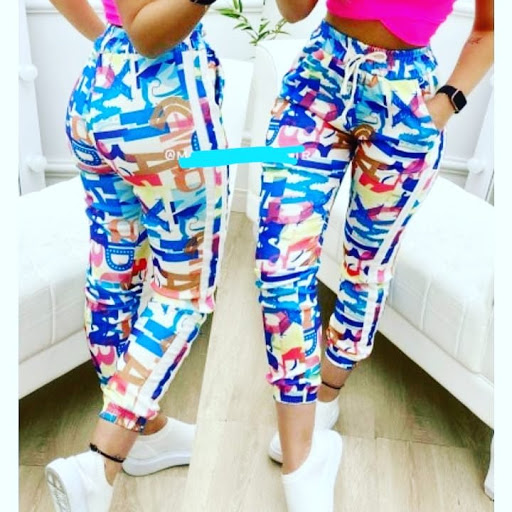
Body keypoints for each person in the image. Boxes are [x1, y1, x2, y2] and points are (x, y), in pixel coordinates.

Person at [254, 0, 494, 510]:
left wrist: (445, 103)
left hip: (405, 103)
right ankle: (303, 461)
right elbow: (294, 11)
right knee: (279, 264)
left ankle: (325, 395)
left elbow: (491, 29)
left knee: (367, 266)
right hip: (318, 83)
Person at [44, 0, 225, 511]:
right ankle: (102, 461)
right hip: (165, 105)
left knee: (113, 266)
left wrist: (110, 38)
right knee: (184, 290)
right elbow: (148, 35)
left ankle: (146, 432)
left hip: (100, 88)